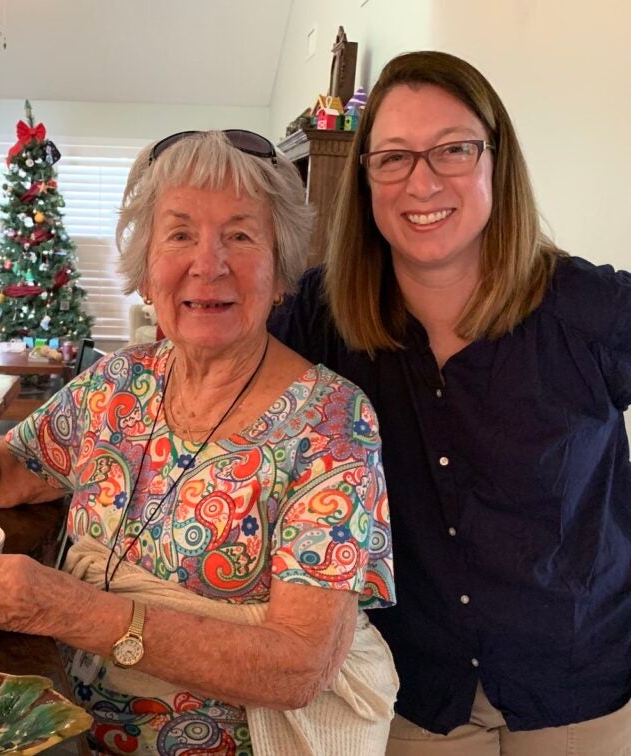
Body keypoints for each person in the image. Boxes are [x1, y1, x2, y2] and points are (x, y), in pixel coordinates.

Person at [0, 130, 398, 755]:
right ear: (145, 271)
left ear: (282, 271)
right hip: (60, 724)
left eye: (241, 234)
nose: (209, 262)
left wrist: (67, 609)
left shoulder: (333, 422)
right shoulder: (118, 383)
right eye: (179, 234)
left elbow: (299, 666)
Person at [269, 51, 631, 755]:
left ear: (497, 159)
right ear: (365, 177)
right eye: (394, 157)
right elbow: (220, 390)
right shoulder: (322, 314)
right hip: (411, 690)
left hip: (578, 685)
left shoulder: (589, 309)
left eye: (454, 149)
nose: (422, 181)